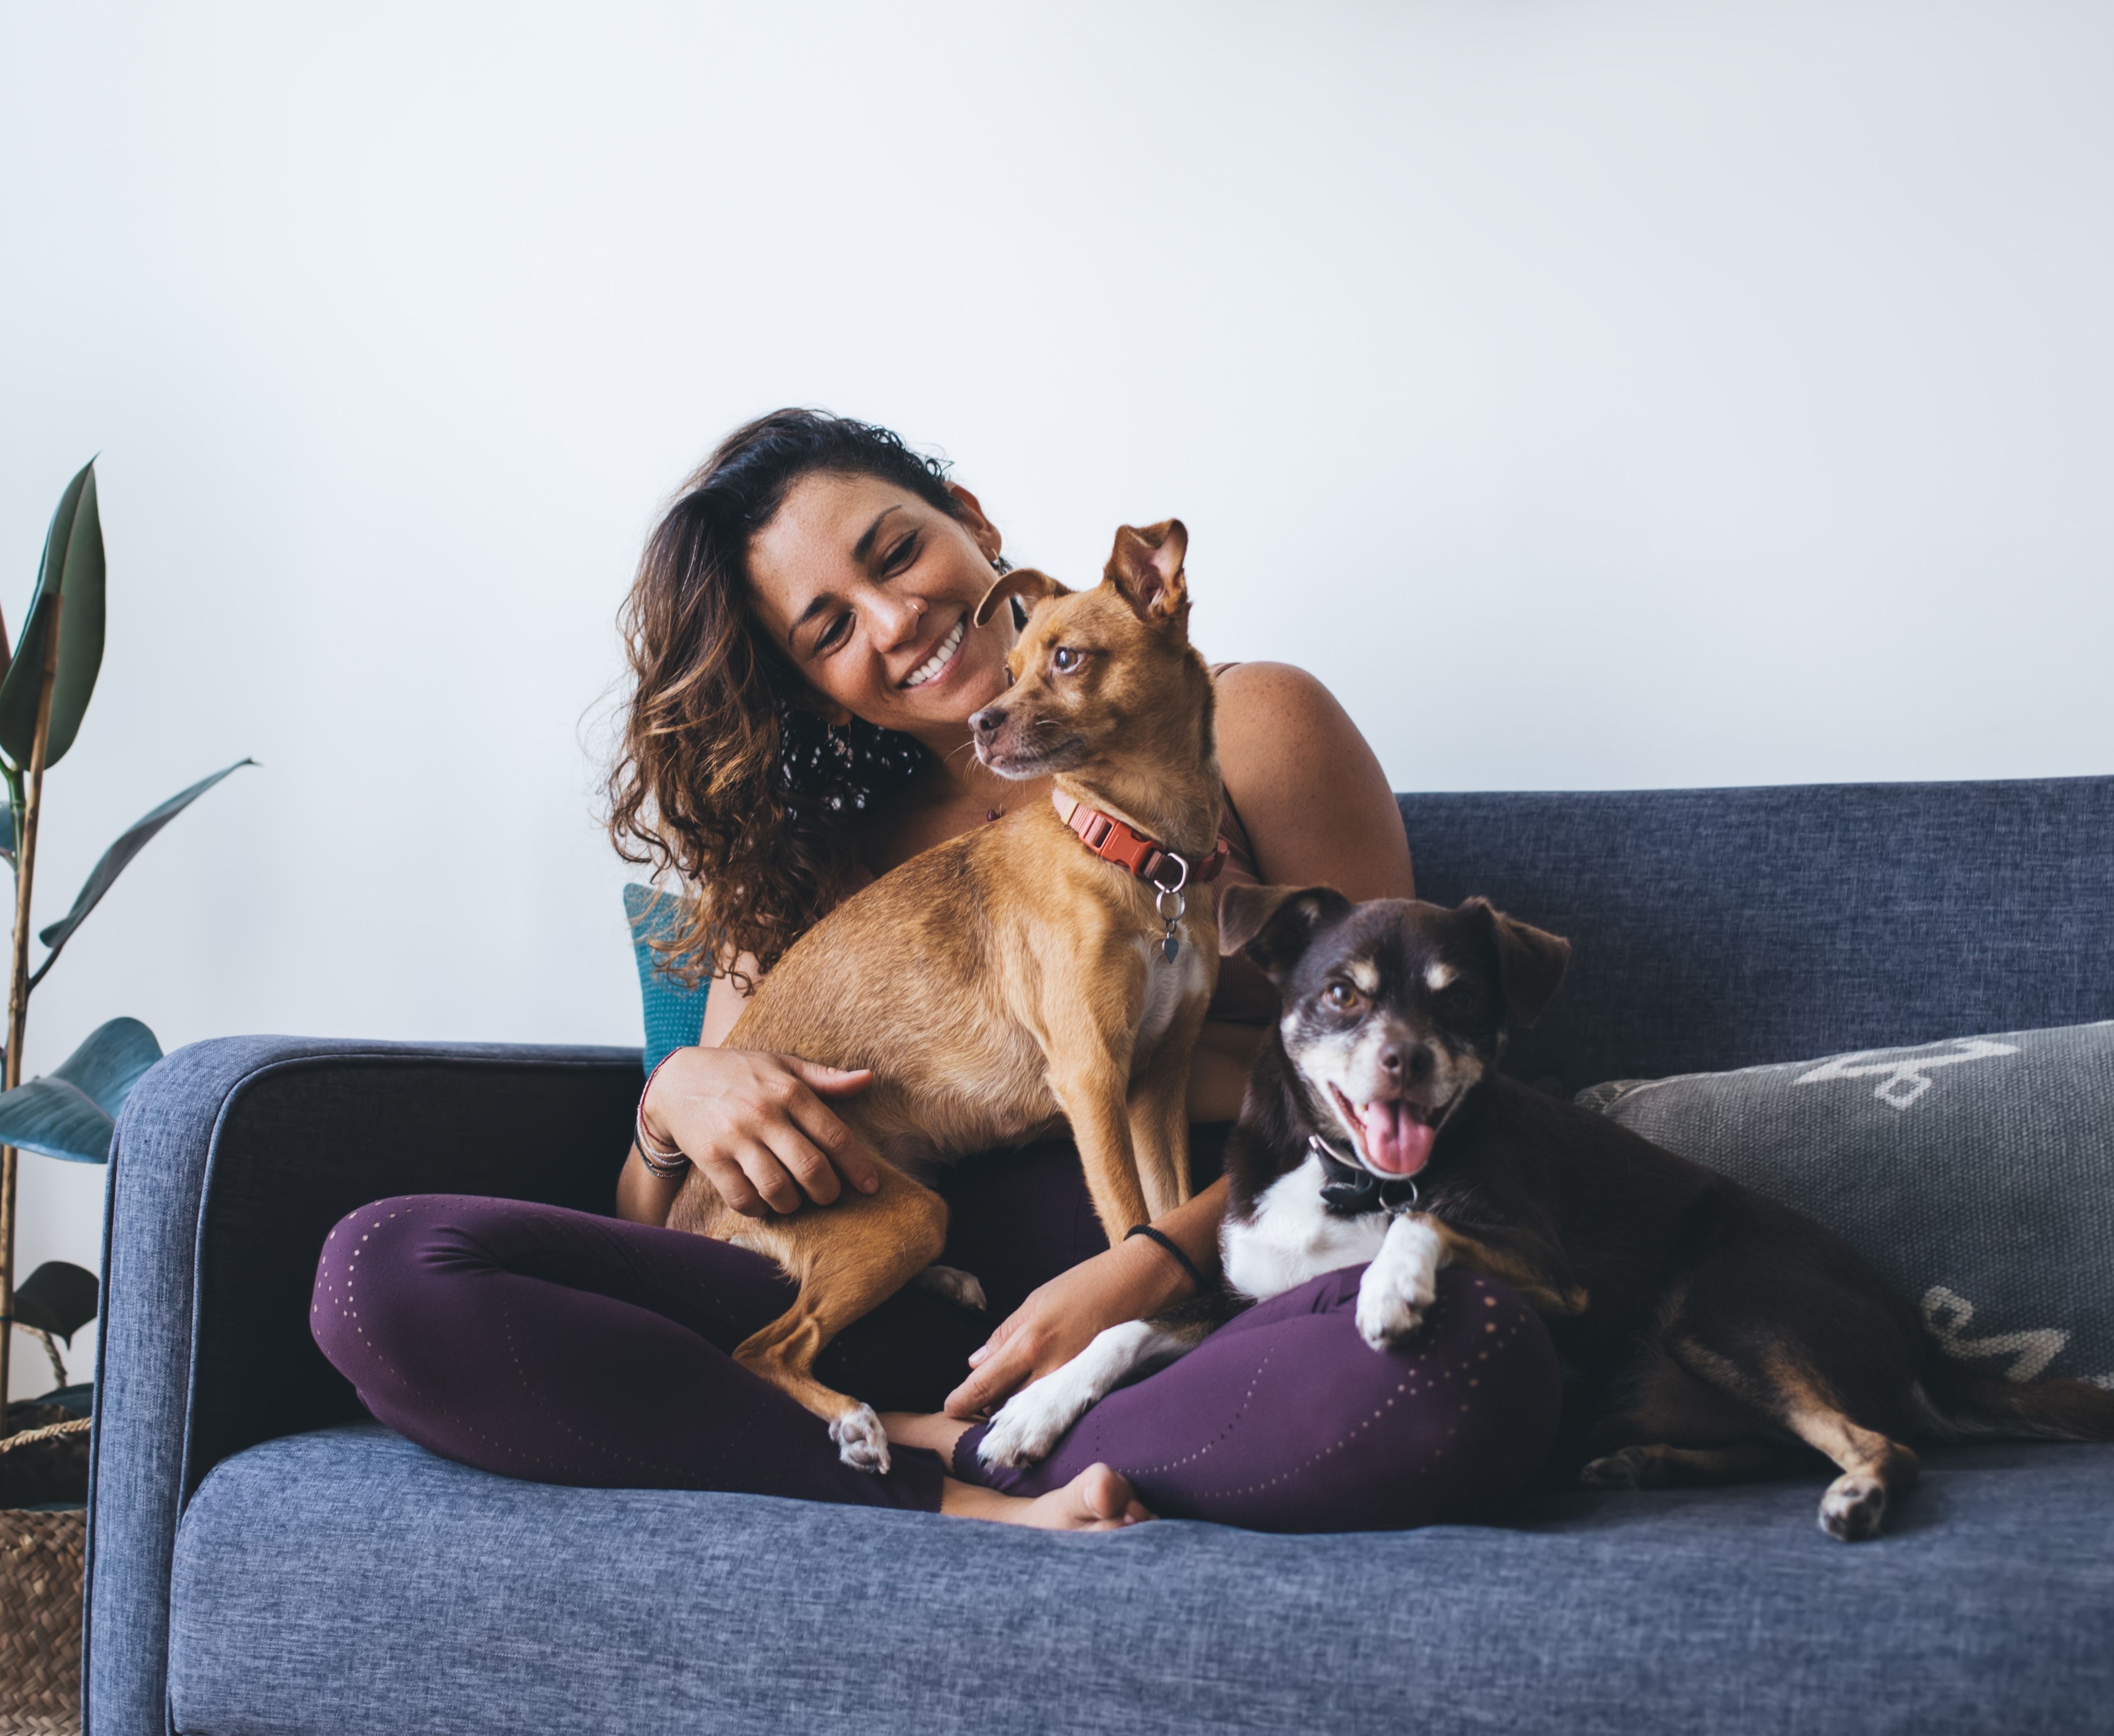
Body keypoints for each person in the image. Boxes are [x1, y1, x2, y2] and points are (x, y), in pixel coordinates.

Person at [313, 410, 1558, 1532]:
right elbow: (664, 1239)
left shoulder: (1250, 727)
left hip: (1152, 1336)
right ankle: (943, 1476)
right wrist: (670, 1103)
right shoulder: (809, 878)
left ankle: (898, 1453)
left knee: (1465, 1355)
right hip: (864, 1304)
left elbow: (1408, 1094)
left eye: (895, 553)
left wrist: (1144, 1272)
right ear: (819, 693)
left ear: (973, 527)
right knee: (382, 1277)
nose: (894, 619)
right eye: (830, 628)